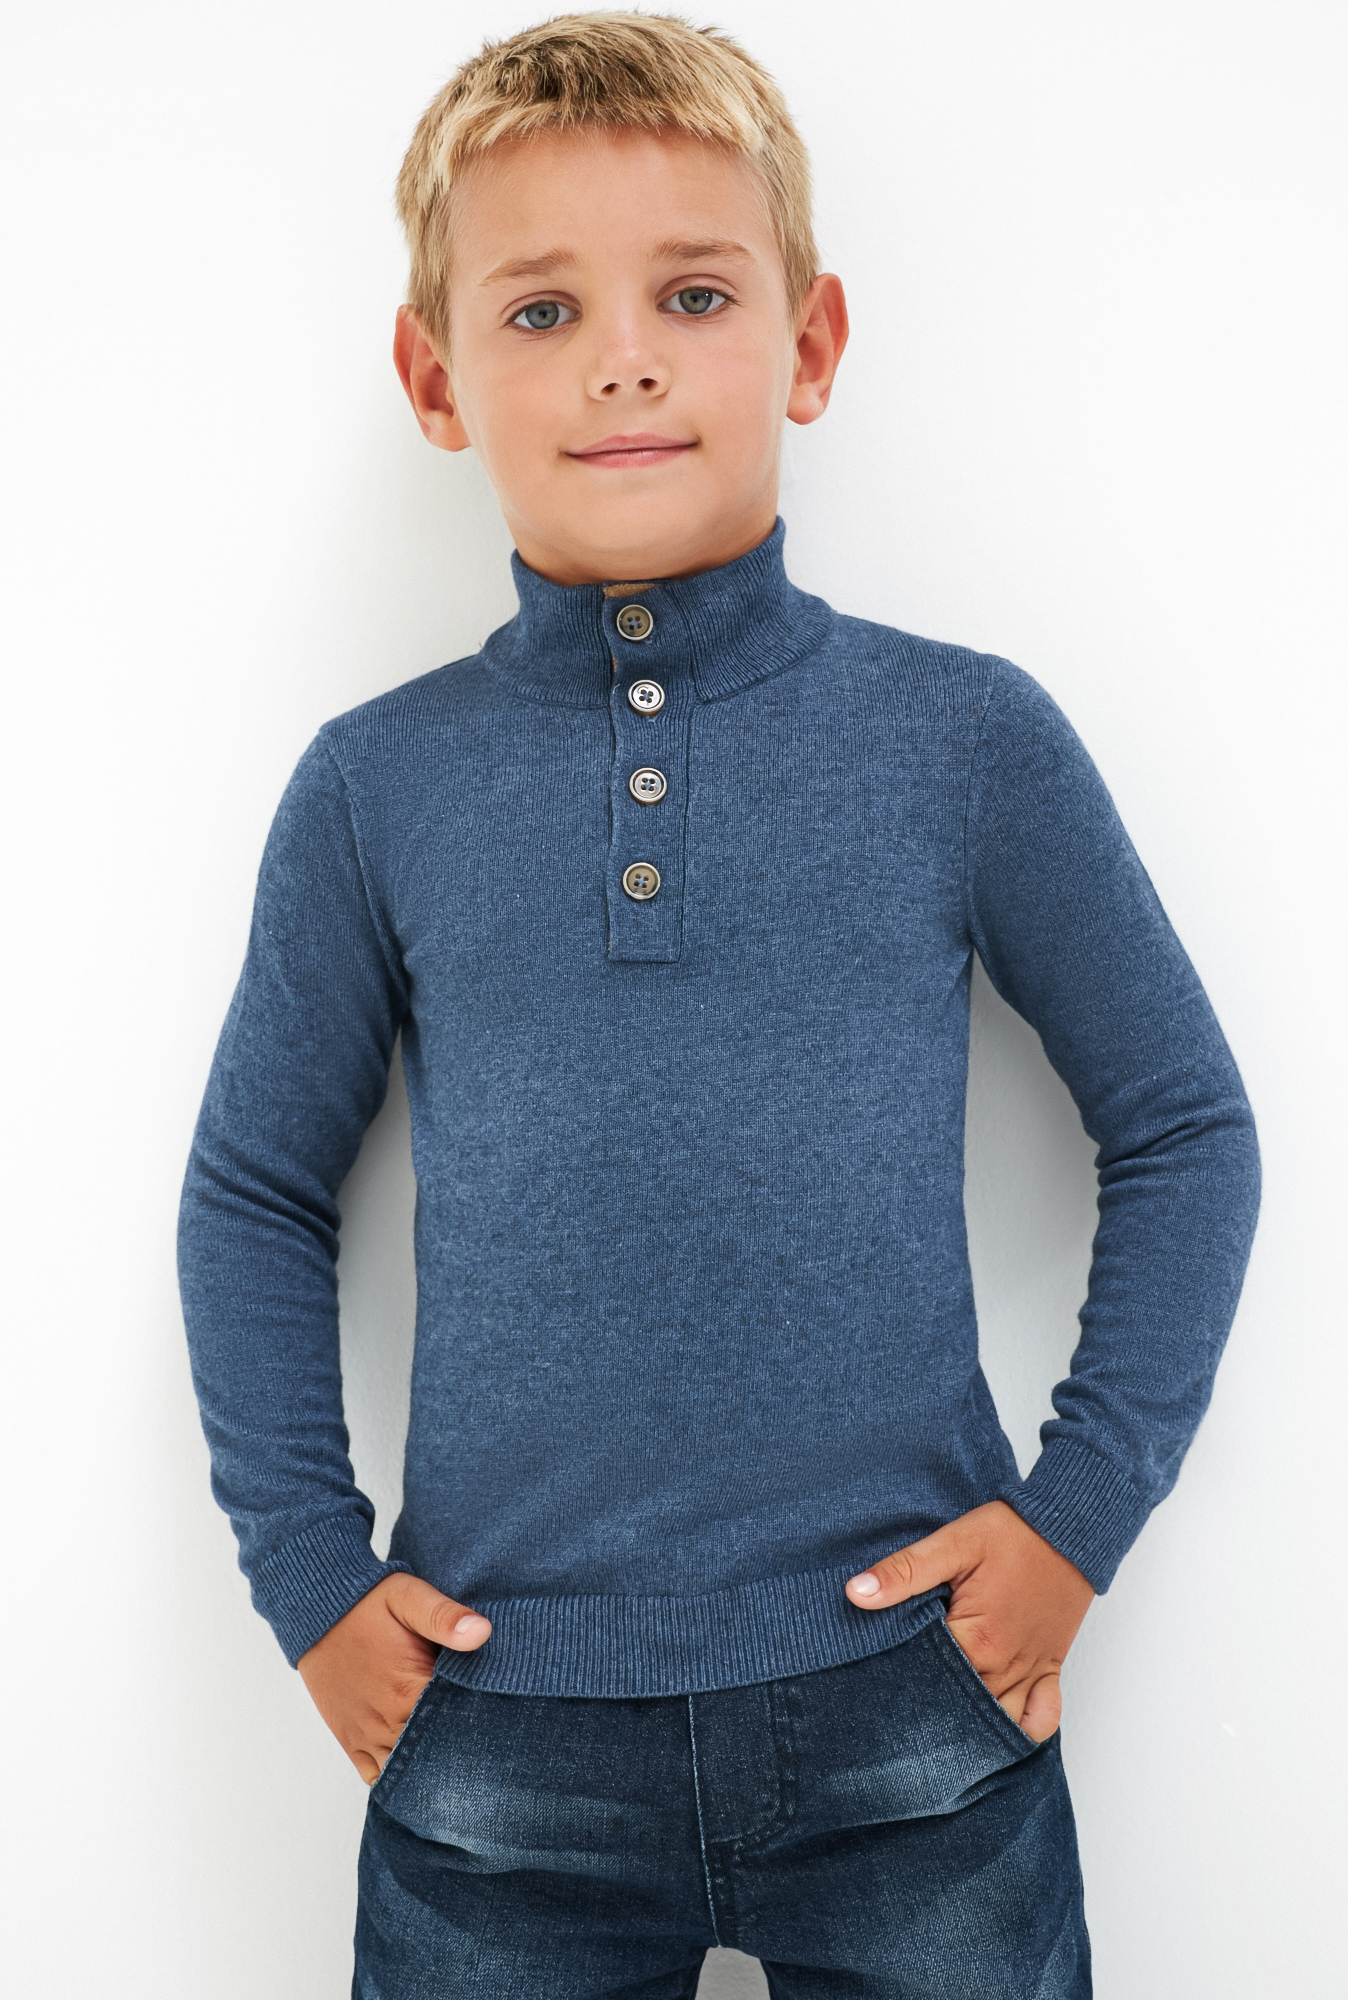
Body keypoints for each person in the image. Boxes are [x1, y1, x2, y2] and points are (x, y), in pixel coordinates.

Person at [177, 14, 1261, 1996]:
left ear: (811, 342)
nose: (624, 358)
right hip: (495, 1743)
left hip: (917, 1711)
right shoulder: (371, 786)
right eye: (540, 309)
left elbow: (1183, 1125)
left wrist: (1075, 1518)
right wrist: (310, 1580)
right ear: (434, 378)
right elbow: (254, 1190)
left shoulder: (965, 738)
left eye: (692, 293)